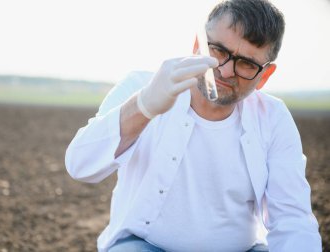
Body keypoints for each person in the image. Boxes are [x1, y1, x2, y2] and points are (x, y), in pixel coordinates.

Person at [65, 0, 322, 251]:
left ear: (264, 76)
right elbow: (80, 165)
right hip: (142, 244)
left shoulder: (273, 118)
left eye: (246, 64)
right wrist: (144, 106)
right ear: (197, 45)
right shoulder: (142, 86)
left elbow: (292, 219)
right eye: (218, 50)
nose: (226, 70)